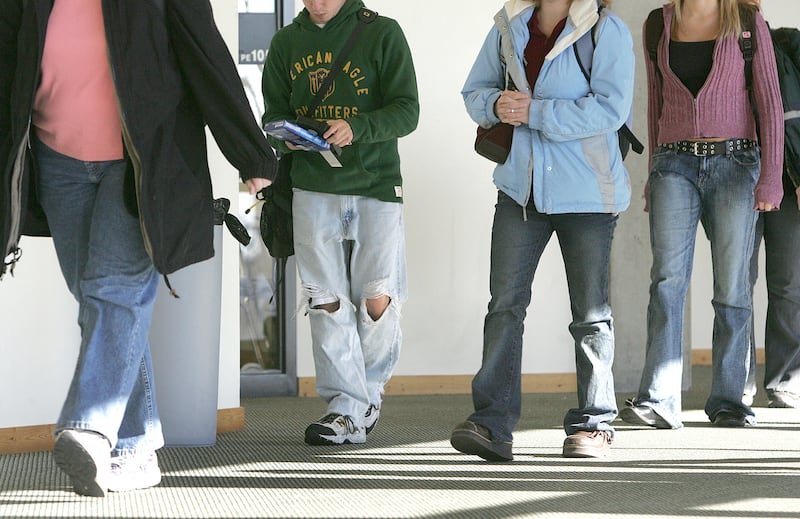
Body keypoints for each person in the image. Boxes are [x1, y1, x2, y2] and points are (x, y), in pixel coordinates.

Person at [0, 0, 276, 497]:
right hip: (57, 159)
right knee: (98, 304)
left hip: (140, 163)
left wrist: (250, 150)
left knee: (115, 292)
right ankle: (135, 446)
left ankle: (90, 425)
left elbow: (205, 53)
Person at [450, 0, 635, 460]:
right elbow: (475, 92)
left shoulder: (605, 30)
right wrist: (495, 103)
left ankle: (594, 424)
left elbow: (610, 110)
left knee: (590, 315)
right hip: (520, 191)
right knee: (504, 307)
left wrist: (535, 113)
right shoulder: (508, 26)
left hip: (588, 194)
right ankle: (492, 424)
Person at [620, 0, 784, 430]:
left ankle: (729, 399)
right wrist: (653, 175)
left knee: (732, 289)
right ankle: (660, 399)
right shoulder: (658, 23)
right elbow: (655, 105)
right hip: (673, 165)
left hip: (736, 164)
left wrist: (771, 178)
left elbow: (769, 102)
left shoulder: (746, 20)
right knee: (666, 282)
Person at [261, 0, 419, 446]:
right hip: (312, 188)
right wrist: (292, 136)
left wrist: (355, 127)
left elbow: (408, 110)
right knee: (324, 298)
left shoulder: (382, 32)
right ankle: (344, 407)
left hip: (376, 185)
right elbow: (271, 114)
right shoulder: (286, 43)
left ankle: (366, 397)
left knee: (377, 297)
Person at [744, 0, 800, 410]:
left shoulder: (789, 45)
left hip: (788, 176)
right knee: (735, 286)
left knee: (788, 283)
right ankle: (737, 383)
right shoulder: (714, 48)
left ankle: (785, 379)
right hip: (737, 176)